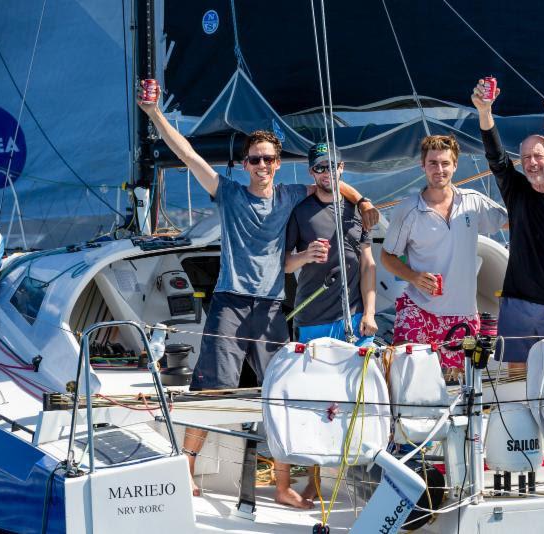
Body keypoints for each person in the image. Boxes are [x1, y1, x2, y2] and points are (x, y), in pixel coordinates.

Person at [137, 81, 378, 508]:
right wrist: (155, 114)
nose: (263, 165)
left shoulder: (290, 194)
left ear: (279, 163)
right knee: (211, 388)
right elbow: (189, 155)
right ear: (245, 165)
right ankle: (186, 471)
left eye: (269, 159)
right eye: (255, 160)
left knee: (282, 392)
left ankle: (284, 485)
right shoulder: (228, 194)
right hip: (230, 302)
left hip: (270, 308)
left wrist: (361, 200)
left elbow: (330, 180)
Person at [471, 80, 544, 383]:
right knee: (516, 379)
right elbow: (497, 159)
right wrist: (486, 113)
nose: (532, 162)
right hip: (519, 303)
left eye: (538, 156)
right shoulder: (518, 192)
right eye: (525, 158)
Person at [381, 134, 508, 373]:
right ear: (423, 166)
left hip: (463, 314)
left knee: (458, 388)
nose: (439, 169)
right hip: (418, 309)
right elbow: (387, 257)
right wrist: (414, 277)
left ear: (455, 165)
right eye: (433, 163)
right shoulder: (408, 210)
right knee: (407, 375)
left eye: (445, 163)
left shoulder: (474, 202)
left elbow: (512, 220)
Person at [285, 143, 377, 346]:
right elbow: (285, 265)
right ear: (311, 172)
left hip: (356, 317)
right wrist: (306, 255)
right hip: (312, 320)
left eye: (332, 165)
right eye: (320, 167)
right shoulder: (299, 211)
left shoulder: (360, 210)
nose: (327, 172)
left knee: (363, 377)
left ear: (341, 167)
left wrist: (369, 313)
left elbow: (367, 264)